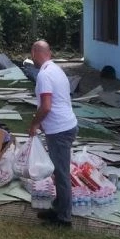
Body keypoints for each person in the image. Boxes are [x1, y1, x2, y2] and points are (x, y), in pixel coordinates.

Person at [28, 40, 78, 228]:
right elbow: (56, 102)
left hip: (60, 130)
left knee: (61, 173)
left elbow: (46, 106)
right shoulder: (56, 69)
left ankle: (64, 218)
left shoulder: (44, 75)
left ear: (34, 53)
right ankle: (58, 207)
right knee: (59, 171)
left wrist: (35, 123)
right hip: (65, 125)